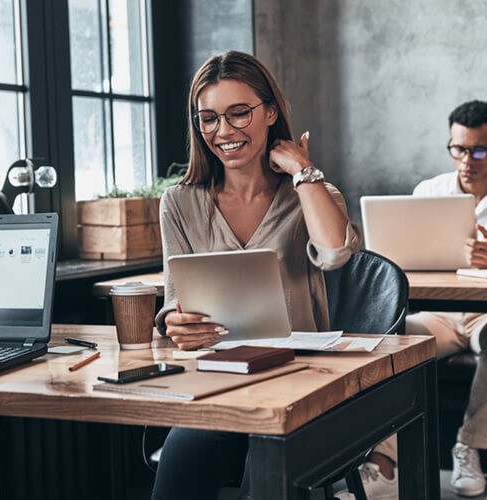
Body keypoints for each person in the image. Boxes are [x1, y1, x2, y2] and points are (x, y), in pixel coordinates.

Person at [150, 50, 362, 499]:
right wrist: (177, 324)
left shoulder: (312, 193)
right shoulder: (180, 203)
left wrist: (303, 171)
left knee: (265, 473)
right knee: (179, 466)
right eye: (208, 118)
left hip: (303, 385)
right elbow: (174, 299)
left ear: (269, 112)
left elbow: (336, 252)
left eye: (238, 113)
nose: (223, 132)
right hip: (218, 383)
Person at [342, 100, 487, 499]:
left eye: (479, 150)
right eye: (458, 149)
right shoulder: (429, 191)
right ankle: (384, 464)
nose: (467, 160)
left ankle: (468, 447)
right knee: (396, 339)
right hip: (440, 315)